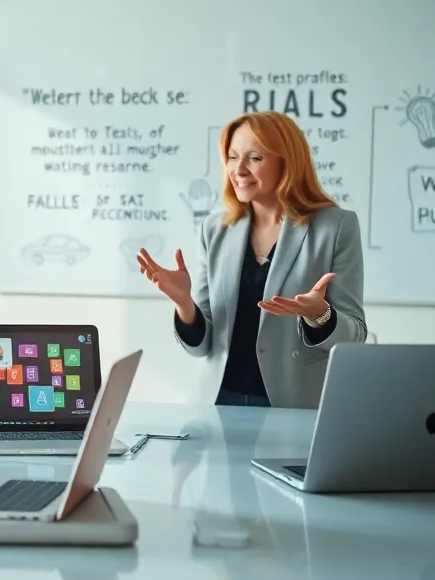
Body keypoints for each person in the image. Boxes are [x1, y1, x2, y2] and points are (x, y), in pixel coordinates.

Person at [137, 110, 366, 408]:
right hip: (220, 405)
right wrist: (184, 303)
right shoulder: (215, 228)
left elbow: (354, 337)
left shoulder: (335, 227)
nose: (239, 170)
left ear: (287, 162)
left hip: (294, 406)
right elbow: (204, 346)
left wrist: (319, 314)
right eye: (232, 157)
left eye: (254, 158)